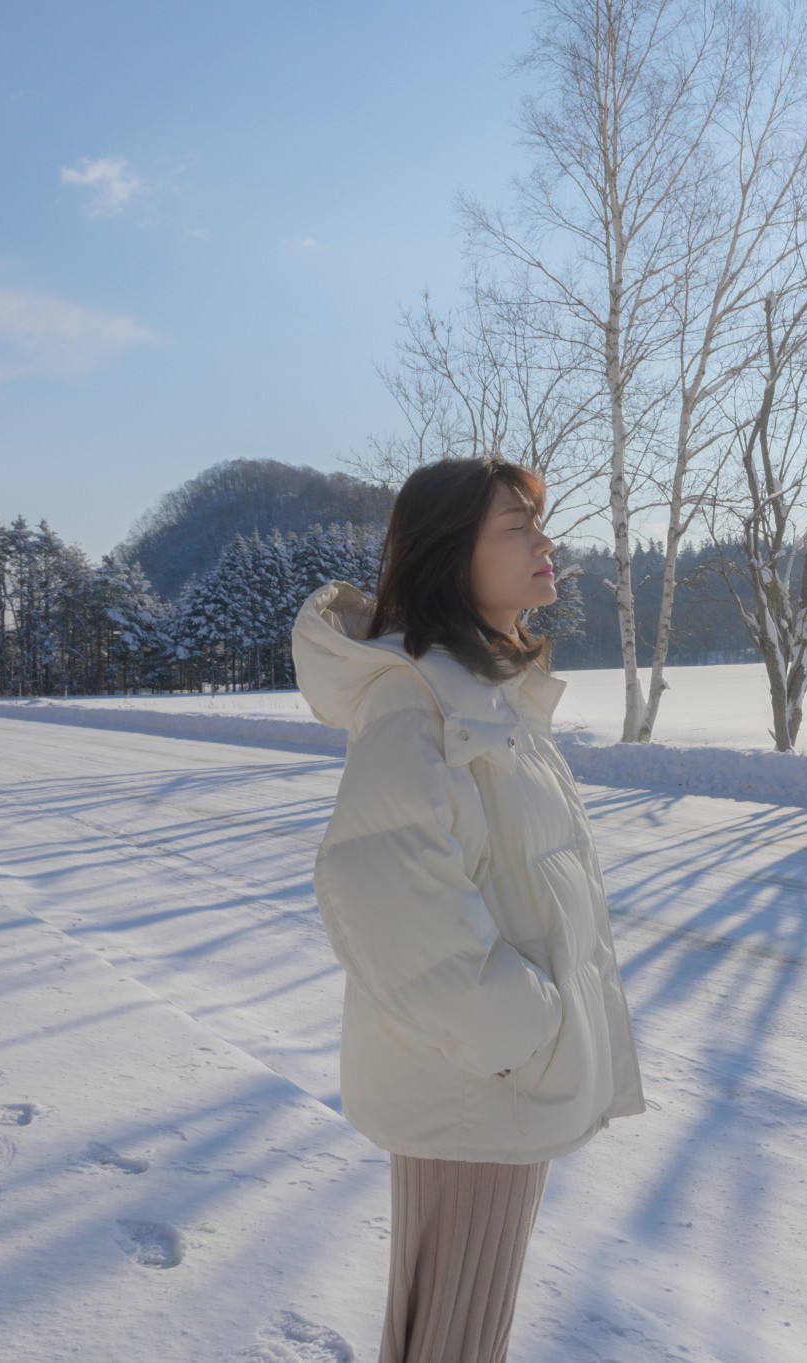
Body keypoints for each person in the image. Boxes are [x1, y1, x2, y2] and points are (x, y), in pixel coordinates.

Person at [291, 457, 648, 1363]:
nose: (546, 542)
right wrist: (521, 1031)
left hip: (492, 1089)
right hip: (477, 1090)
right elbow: (383, 898)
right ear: (454, 556)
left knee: (455, 1337)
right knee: (450, 1342)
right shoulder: (417, 709)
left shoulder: (484, 698)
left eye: (541, 522)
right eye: (516, 527)